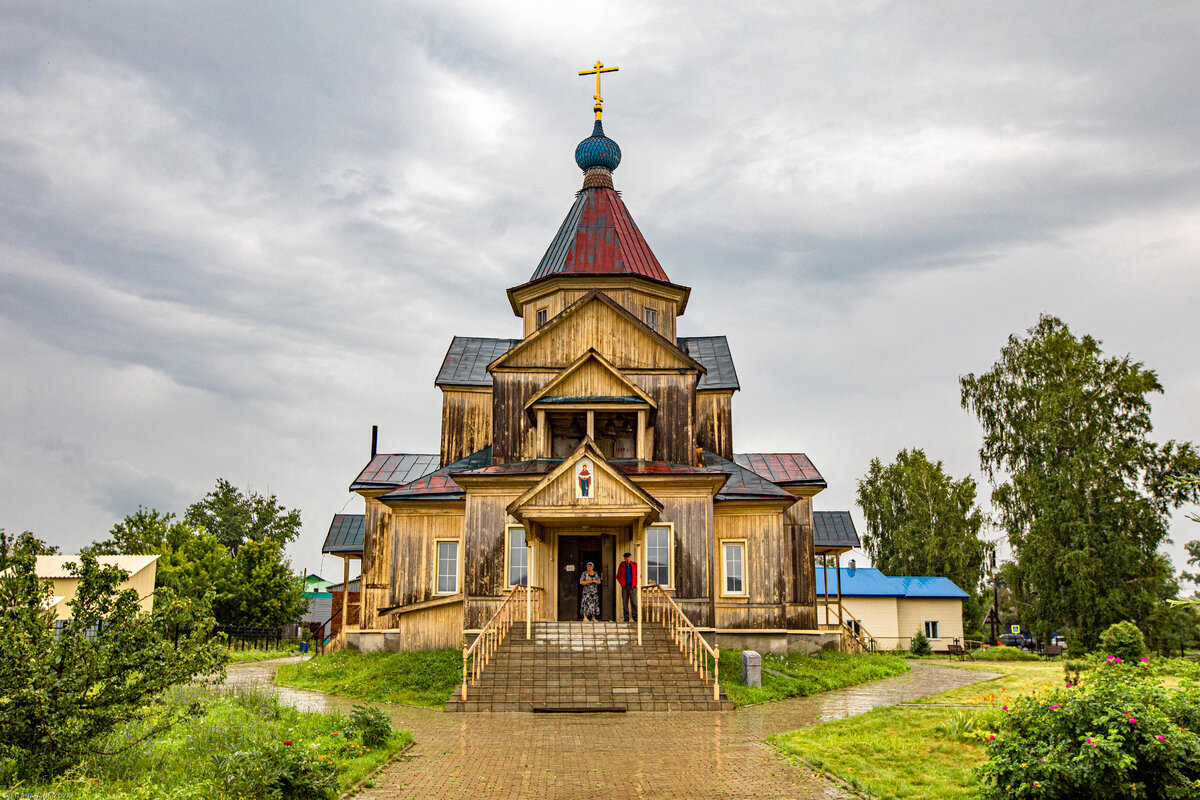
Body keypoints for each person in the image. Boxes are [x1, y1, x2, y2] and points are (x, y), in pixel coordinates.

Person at [616, 552, 637, 622]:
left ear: (630, 557)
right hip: (625, 587)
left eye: (629, 557)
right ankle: (626, 618)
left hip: (632, 587)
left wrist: (635, 582)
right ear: (624, 558)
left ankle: (635, 617)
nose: (627, 558)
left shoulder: (634, 565)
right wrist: (622, 583)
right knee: (625, 603)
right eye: (626, 557)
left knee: (634, 602)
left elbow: (639, 574)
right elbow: (618, 576)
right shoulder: (622, 565)